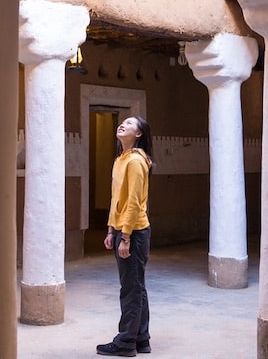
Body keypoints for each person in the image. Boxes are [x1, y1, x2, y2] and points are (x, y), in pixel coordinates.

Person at [96, 116, 154, 357]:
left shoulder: (136, 162)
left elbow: (133, 202)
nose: (122, 124)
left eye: (130, 123)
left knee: (130, 288)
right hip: (122, 229)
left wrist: (126, 237)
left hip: (135, 231)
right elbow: (115, 198)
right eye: (122, 122)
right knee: (136, 286)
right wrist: (111, 230)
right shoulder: (121, 159)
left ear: (138, 134)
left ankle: (126, 342)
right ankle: (141, 338)